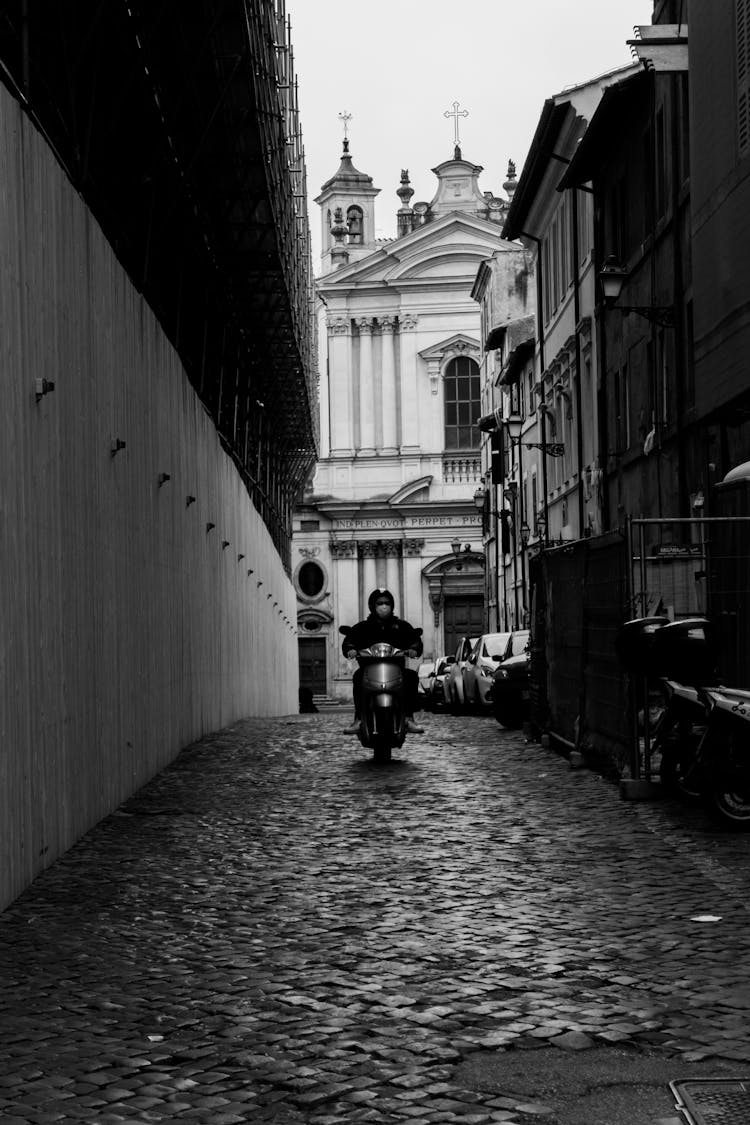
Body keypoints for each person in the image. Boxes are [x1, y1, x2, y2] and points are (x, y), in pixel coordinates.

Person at [342, 588, 424, 735]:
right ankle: (359, 718)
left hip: (396, 669)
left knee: (411, 677)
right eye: (380, 603)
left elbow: (414, 639)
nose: (384, 606)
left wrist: (414, 648)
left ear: (392, 605)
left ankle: (408, 717)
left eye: (387, 603)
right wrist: (350, 649)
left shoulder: (401, 626)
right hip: (368, 669)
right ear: (373, 605)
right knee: (357, 677)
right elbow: (350, 640)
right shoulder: (363, 627)